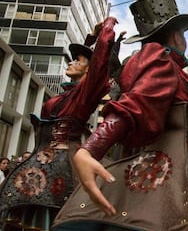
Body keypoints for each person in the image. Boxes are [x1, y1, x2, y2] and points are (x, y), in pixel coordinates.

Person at [52, 0, 188, 231]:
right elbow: (135, 104)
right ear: (177, 36)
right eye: (184, 34)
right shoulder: (159, 58)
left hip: (179, 181)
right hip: (166, 184)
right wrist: (90, 149)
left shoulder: (175, 70)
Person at [0, 17, 118, 231]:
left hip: (63, 168)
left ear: (89, 70)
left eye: (78, 61)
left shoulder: (85, 94)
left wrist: (106, 30)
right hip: (36, 165)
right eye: (73, 59)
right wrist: (91, 38)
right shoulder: (69, 94)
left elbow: (100, 63)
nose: (71, 62)